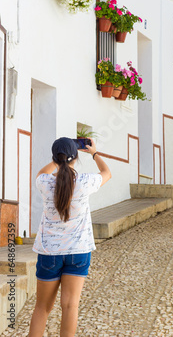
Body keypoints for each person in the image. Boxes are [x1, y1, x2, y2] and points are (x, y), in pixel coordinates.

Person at [28, 137, 111, 337]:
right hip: (78, 252)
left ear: (55, 158)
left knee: (42, 308)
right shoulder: (85, 182)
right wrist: (94, 153)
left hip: (49, 253)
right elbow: (107, 173)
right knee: (70, 307)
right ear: (75, 158)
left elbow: (42, 172)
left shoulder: (44, 182)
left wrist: (59, 159)